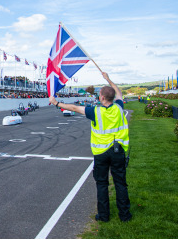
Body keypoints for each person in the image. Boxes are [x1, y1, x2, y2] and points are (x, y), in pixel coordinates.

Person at [49, 72, 132, 223]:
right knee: (120, 183)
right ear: (112, 98)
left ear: (101, 98)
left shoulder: (95, 111)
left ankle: (104, 215)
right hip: (118, 150)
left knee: (102, 184)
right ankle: (125, 215)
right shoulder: (119, 107)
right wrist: (108, 80)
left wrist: (56, 103)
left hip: (101, 152)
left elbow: (74, 108)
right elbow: (118, 92)